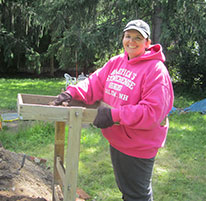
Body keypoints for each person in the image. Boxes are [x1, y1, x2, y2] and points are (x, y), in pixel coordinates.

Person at [54, 19, 174, 201]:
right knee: (128, 190)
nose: (131, 41)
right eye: (128, 36)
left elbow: (152, 113)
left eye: (138, 38)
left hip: (138, 145)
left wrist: (114, 115)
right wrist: (72, 92)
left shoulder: (156, 71)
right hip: (118, 139)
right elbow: (95, 82)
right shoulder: (116, 62)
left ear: (147, 43)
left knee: (137, 195)